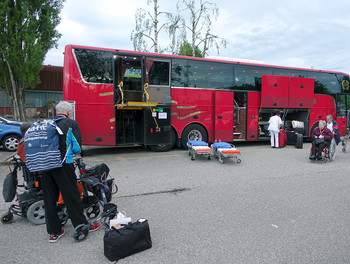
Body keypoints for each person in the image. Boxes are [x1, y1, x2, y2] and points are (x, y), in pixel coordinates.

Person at [41, 101, 99, 243]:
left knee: (49, 199)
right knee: (71, 196)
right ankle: (81, 225)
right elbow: (77, 148)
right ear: (68, 112)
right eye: (71, 111)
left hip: (44, 165)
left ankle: (54, 232)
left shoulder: (46, 124)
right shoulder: (70, 123)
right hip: (63, 164)